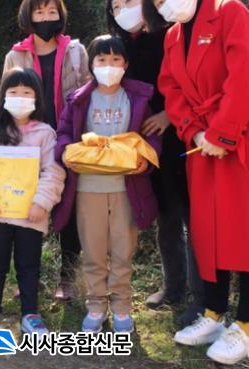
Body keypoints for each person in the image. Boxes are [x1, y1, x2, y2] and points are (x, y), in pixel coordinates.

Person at [143, 0, 249, 365]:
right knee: (209, 230)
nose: (168, 2)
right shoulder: (173, 36)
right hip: (201, 146)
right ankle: (213, 313)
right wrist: (194, 132)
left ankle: (246, 326)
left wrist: (222, 133)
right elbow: (171, 90)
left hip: (244, 138)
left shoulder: (229, 12)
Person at [106, 0, 204, 325]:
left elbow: (187, 84)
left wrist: (168, 115)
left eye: (130, 1)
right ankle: (173, 287)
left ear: (146, 0)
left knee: (193, 218)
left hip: (182, 138)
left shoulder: (171, 36)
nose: (124, 10)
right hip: (147, 144)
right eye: (116, 7)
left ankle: (202, 297)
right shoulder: (121, 48)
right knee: (166, 217)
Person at [54, 35, 162, 334]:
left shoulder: (138, 97)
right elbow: (63, 132)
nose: (109, 66)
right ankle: (96, 306)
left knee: (123, 251)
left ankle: (122, 307)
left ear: (125, 64)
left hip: (127, 188)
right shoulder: (78, 99)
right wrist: (65, 152)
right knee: (93, 251)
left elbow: (152, 135)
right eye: (102, 60)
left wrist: (146, 159)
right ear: (92, 64)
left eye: (116, 59)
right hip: (88, 188)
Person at [3, 0, 90, 301]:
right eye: (39, 12)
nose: (45, 18)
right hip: (29, 143)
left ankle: (68, 279)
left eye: (52, 12)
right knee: (27, 209)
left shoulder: (76, 51)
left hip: (68, 141)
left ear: (60, 15)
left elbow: (87, 93)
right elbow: (6, 99)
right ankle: (30, 278)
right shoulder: (16, 55)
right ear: (28, 16)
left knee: (68, 211)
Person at [0, 68, 65, 343]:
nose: (20, 97)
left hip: (31, 215)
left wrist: (42, 202)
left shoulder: (45, 133)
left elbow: (53, 171)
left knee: (29, 265)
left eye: (26, 92)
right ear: (3, 96)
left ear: (37, 97)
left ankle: (30, 314)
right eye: (13, 92)